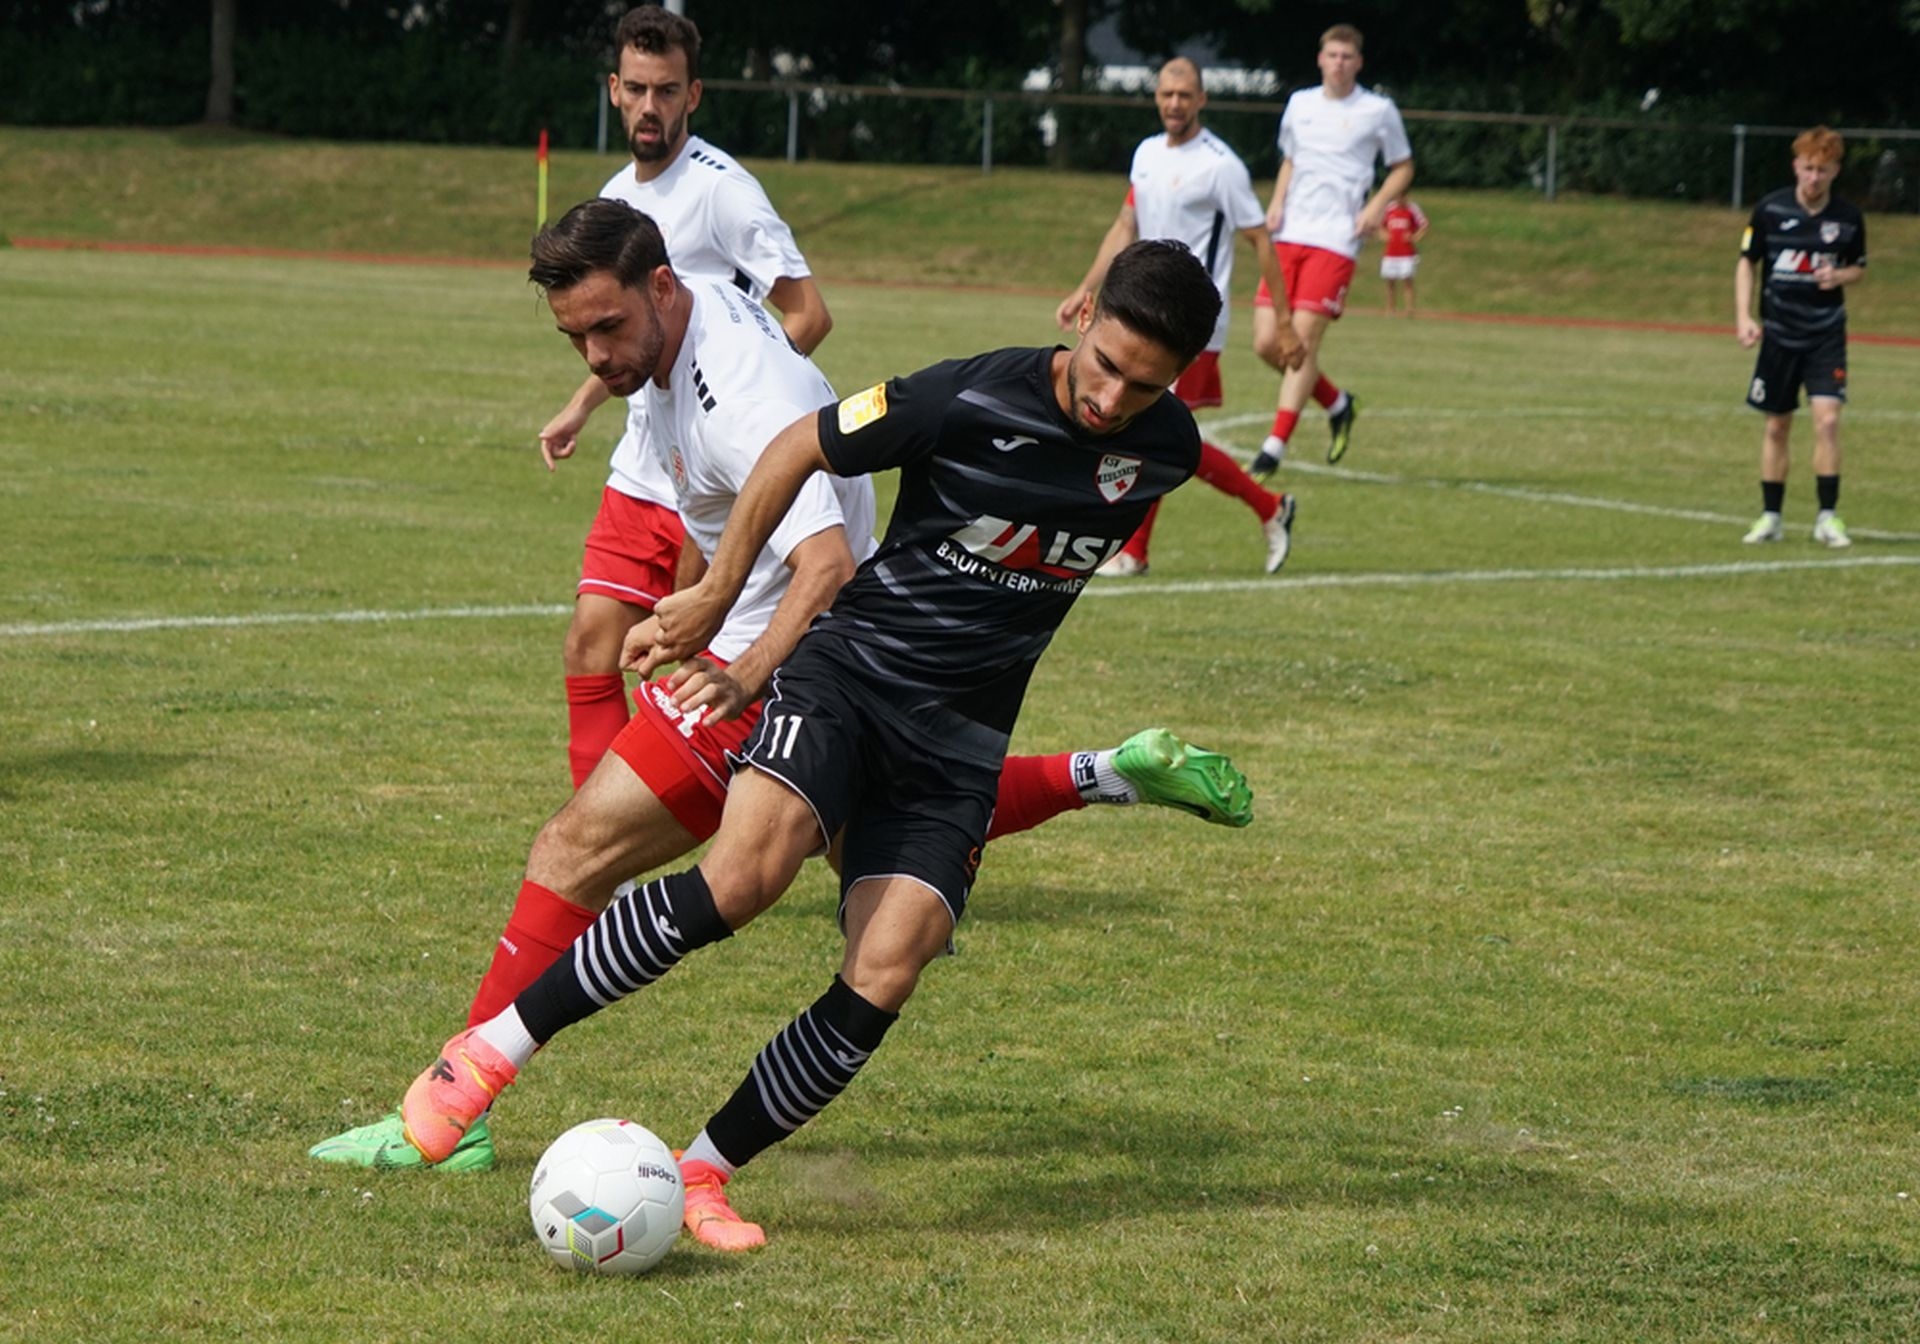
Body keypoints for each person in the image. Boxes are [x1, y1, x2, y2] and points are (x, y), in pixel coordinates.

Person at [310, 209, 1254, 1195]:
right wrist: (709, 600)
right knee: (732, 868)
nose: (1110, 399)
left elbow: (832, 541)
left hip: (884, 695)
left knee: (872, 951)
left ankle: (671, 1168)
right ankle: (470, 1077)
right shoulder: (948, 391)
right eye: (1104, 365)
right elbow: (792, 442)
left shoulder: (1163, 451)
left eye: (1143, 385)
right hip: (835, 669)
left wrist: (731, 636)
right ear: (1083, 316)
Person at [544, 5, 833, 787]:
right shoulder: (615, 195)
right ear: (613, 89)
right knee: (592, 646)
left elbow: (807, 314)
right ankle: (606, 827)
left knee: (689, 661)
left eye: (667, 91)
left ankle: (736, 796)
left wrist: (736, 423)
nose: (651, 107)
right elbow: (620, 329)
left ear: (693, 95)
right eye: (637, 89)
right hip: (646, 462)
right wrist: (581, 406)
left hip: (710, 465)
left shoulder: (723, 192)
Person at [1056, 58, 1306, 577]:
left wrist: (1283, 322)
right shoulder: (1147, 153)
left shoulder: (1221, 165)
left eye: (1185, 95)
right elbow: (1125, 225)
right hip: (1142, 319)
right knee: (1154, 431)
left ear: (1201, 99)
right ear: (1156, 96)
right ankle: (1267, 508)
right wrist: (1084, 287)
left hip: (1191, 325)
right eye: (1167, 94)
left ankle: (1137, 550)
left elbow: (1261, 241)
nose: (1175, 103)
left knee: (1151, 430)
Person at [1249, 24, 1414, 475]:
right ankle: (1338, 403)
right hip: (1289, 233)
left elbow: (1403, 167)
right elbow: (1291, 160)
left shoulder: (1377, 110)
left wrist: (1376, 207)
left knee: (1301, 342)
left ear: (1358, 63)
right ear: (1320, 59)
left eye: (1347, 56)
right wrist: (1276, 202)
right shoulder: (1300, 104)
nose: (1339, 63)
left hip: (1337, 238)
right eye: (1332, 55)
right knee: (1266, 342)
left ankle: (1273, 448)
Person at [1735, 125, 1867, 548]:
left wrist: (1840, 275)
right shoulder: (1770, 210)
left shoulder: (1847, 218)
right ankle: (1771, 517)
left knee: (1828, 421)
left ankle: (1827, 518)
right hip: (1779, 334)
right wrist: (1744, 316)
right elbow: (1747, 262)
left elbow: (1858, 267)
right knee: (1777, 426)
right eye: (1808, 169)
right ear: (1796, 166)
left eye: (1822, 170)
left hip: (1825, 334)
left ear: (1835, 171)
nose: (1814, 178)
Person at [1378, 195, 1428, 315]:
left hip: (1406, 253)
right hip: (1391, 252)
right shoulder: (1389, 209)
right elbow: (1379, 224)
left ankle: (1409, 309)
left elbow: (1424, 225)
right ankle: (1390, 308)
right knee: (1390, 282)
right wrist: (1384, 235)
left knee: (1407, 281)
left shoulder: (1412, 209)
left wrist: (1414, 237)